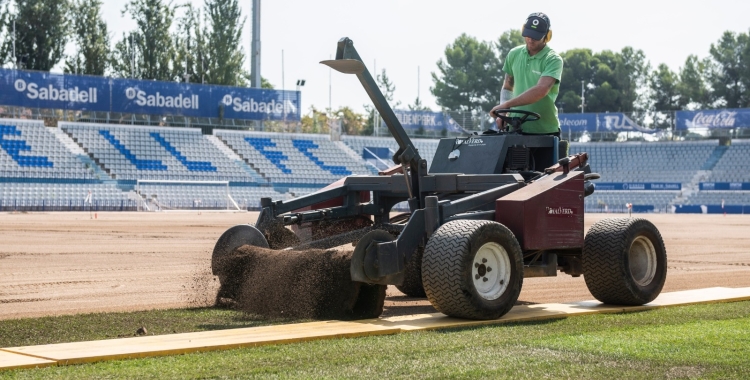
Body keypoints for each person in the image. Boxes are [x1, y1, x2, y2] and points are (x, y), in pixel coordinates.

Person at [490, 12, 563, 136]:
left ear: (547, 35)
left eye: (536, 36)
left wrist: (507, 105)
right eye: (528, 34)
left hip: (545, 130)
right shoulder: (514, 54)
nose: (530, 39)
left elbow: (541, 90)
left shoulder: (553, 59)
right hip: (514, 127)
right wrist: (503, 112)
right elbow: (508, 86)